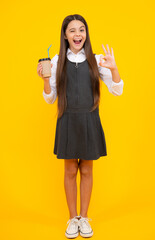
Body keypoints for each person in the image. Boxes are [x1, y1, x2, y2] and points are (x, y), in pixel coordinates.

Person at [37, 14, 124, 239]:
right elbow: (50, 98)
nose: (78, 34)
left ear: (86, 34)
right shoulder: (56, 61)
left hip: (89, 120)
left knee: (86, 170)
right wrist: (45, 79)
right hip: (67, 120)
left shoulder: (97, 59)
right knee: (69, 171)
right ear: (65, 36)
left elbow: (117, 90)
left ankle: (84, 218)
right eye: (73, 30)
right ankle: (72, 218)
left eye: (82, 30)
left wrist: (114, 68)